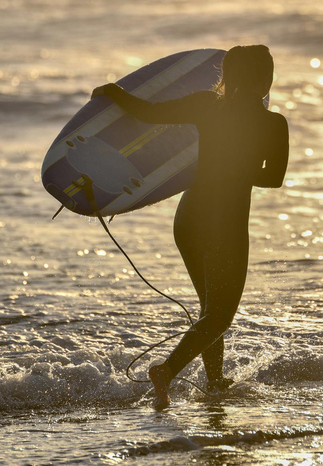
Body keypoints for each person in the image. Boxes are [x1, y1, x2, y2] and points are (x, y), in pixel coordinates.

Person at [92, 45, 289, 410]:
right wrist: (239, 170)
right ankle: (166, 371)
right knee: (220, 315)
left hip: (189, 218)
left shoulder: (206, 104)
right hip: (226, 223)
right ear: (265, 80)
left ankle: (215, 382)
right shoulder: (273, 123)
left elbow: (149, 114)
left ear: (227, 78)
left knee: (209, 310)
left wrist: (113, 92)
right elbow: (274, 178)